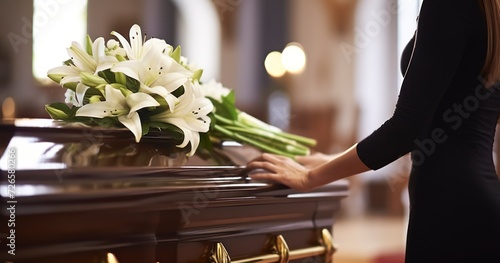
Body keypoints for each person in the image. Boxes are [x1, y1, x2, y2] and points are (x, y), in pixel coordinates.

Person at [246, 0, 500, 262]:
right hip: (473, 198)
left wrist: (310, 177)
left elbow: (405, 129)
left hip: (449, 206)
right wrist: (329, 160)